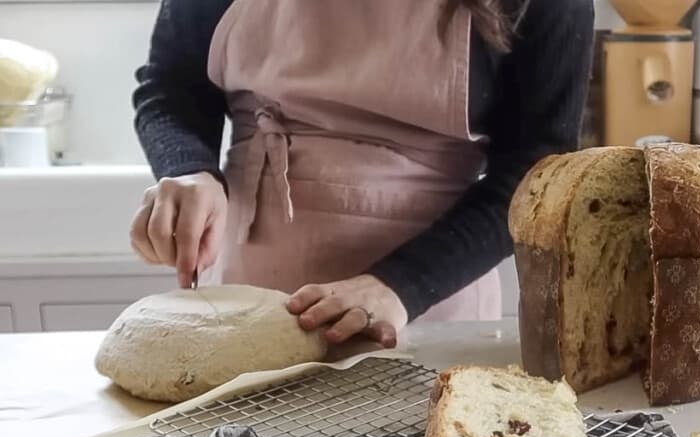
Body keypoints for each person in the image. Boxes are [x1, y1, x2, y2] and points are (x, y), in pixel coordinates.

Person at [129, 0, 595, 347]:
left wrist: (401, 285)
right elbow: (171, 87)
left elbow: (537, 177)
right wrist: (190, 170)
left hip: (426, 311)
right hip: (244, 300)